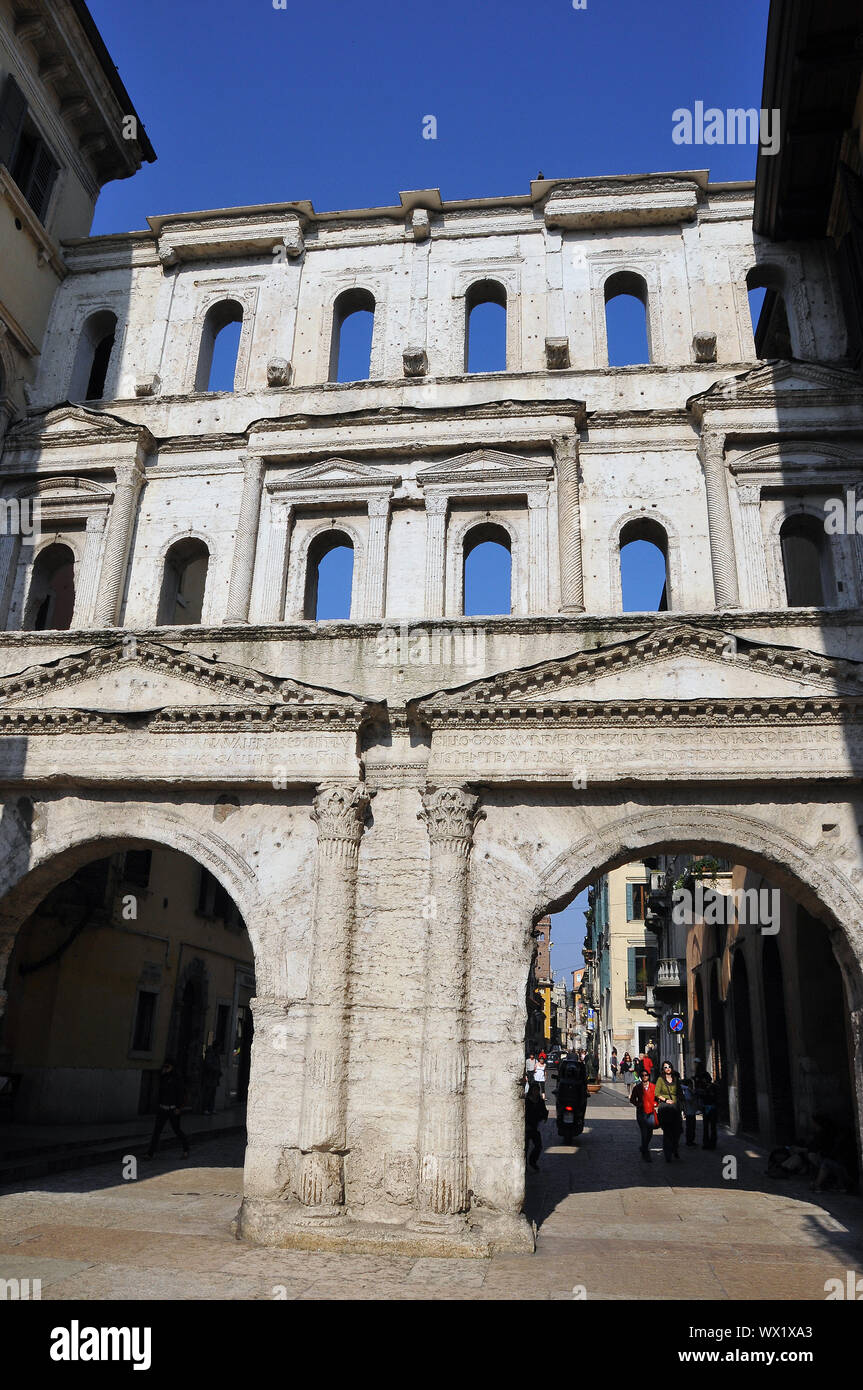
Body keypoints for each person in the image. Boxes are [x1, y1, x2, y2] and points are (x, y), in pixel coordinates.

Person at [145, 1059, 189, 1159]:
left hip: (173, 1109)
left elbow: (182, 1095)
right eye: (164, 1067)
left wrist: (179, 1108)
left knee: (177, 1130)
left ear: (172, 1067)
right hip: (162, 1109)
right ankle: (150, 1153)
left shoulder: (177, 1079)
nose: (165, 1069)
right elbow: (160, 1092)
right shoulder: (163, 1077)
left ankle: (186, 1149)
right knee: (157, 1131)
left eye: (167, 1067)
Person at [655, 1060, 684, 1162]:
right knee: (667, 1132)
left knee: (677, 1132)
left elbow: (680, 1094)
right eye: (665, 1067)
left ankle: (675, 1148)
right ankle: (668, 1154)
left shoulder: (676, 1079)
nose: (667, 1069)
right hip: (665, 1109)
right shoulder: (660, 1080)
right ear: (663, 1069)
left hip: (676, 1109)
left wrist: (682, 1107)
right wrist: (666, 1100)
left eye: (669, 1067)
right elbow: (657, 1093)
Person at [629, 1057, 657, 1160]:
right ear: (641, 1077)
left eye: (646, 1075)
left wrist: (655, 1103)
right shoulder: (637, 1087)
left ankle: (644, 1146)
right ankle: (645, 1151)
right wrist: (638, 1103)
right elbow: (632, 1099)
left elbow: (657, 1098)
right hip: (641, 1112)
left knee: (650, 1132)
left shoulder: (653, 1087)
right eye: (643, 1075)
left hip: (650, 1112)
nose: (645, 1077)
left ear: (649, 1076)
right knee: (644, 1132)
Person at [525, 1081, 548, 1170]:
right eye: (534, 1090)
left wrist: (544, 1116)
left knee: (538, 1146)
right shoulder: (527, 1101)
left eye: (537, 1090)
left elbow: (544, 1111)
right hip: (526, 1127)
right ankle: (525, 1164)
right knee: (525, 1148)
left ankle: (532, 1161)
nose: (536, 1092)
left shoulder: (540, 1101)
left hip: (534, 1127)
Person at [696, 1067, 718, 1149]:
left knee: (710, 1127)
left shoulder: (712, 1087)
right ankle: (708, 1143)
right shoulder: (705, 1087)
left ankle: (711, 1143)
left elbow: (714, 1097)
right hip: (708, 1108)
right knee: (708, 1127)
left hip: (711, 1108)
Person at [201, 1045, 222, 1115]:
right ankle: (206, 1108)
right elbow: (209, 1065)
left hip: (214, 1077)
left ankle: (211, 1108)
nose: (219, 1049)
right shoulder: (210, 1055)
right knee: (208, 1094)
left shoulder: (216, 1055)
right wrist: (216, 1070)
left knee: (212, 1094)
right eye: (219, 1047)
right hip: (210, 1077)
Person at [681, 1071, 697, 1146]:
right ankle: (689, 1141)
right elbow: (689, 1099)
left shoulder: (687, 1090)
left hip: (690, 1111)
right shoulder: (687, 1090)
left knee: (691, 1127)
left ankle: (690, 1140)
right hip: (690, 1112)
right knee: (690, 1127)